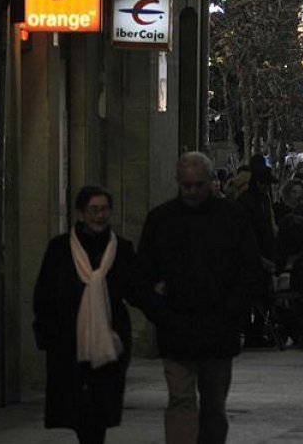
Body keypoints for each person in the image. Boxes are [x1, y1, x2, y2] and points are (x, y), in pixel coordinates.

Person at [136, 152, 264, 444]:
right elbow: (143, 275)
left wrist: (232, 311)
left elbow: (250, 269)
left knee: (213, 405)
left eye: (198, 185)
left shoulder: (231, 217)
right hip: (177, 327)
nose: (192, 191)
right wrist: (161, 312)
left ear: (210, 182)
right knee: (181, 399)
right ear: (178, 183)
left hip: (218, 329)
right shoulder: (162, 220)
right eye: (187, 185)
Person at [33, 186, 141, 444]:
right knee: (77, 408)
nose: (100, 216)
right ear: (81, 214)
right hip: (69, 342)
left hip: (109, 340)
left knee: (100, 409)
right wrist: (46, 334)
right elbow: (44, 293)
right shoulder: (60, 249)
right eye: (94, 210)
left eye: (104, 209)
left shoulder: (122, 249)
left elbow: (135, 289)